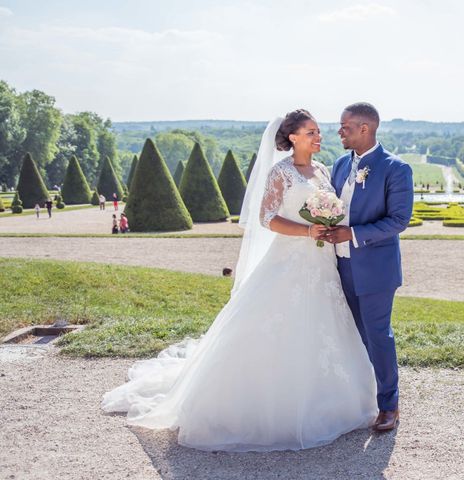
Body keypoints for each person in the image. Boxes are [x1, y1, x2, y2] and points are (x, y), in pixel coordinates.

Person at [102, 110, 377, 452]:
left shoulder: (322, 170)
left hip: (321, 262)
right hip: (289, 259)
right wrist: (307, 230)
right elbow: (266, 217)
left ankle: (332, 399)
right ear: (292, 137)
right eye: (311, 132)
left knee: (323, 325)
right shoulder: (281, 172)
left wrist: (328, 223)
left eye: (319, 132)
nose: (319, 137)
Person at [323, 102, 413, 431]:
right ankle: (360, 400)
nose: (339, 131)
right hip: (339, 266)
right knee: (352, 335)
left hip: (376, 269)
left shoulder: (395, 168)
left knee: (377, 336)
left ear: (365, 128)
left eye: (345, 126)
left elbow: (399, 220)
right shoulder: (337, 165)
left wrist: (354, 234)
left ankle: (389, 405)